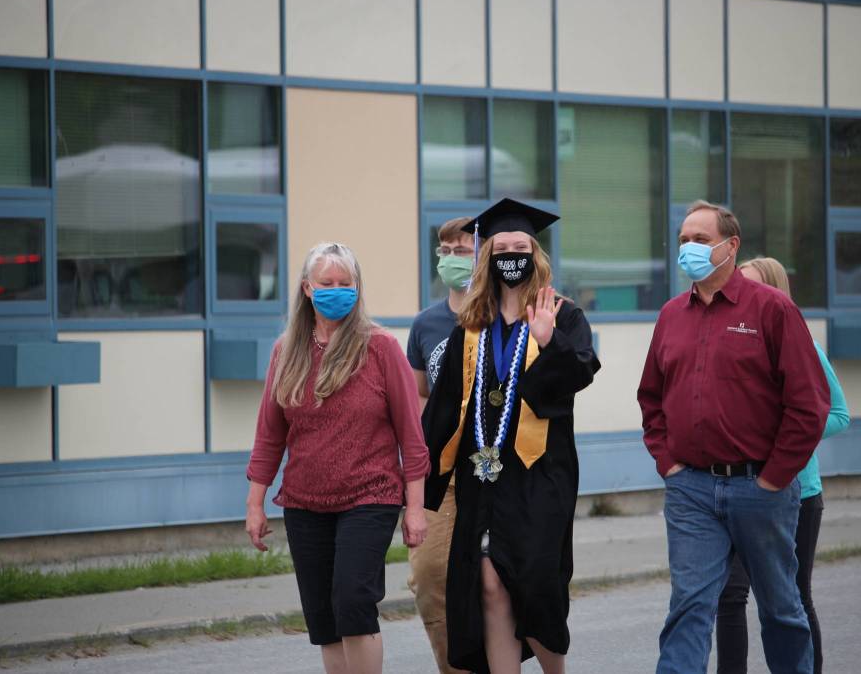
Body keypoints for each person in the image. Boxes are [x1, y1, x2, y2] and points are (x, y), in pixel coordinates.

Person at [637, 200, 830, 674]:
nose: (689, 249)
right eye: (683, 240)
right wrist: (669, 465)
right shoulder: (670, 316)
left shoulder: (772, 310)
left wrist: (774, 478)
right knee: (688, 609)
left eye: (700, 240)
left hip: (760, 488)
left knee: (781, 609)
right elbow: (651, 398)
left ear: (731, 245)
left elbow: (810, 404)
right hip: (692, 491)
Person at [423, 198, 600, 674]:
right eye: (500, 248)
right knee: (487, 583)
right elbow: (442, 411)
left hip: (541, 475)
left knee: (538, 585)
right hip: (484, 475)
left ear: (535, 254)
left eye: (520, 246)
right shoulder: (471, 329)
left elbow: (580, 375)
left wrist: (548, 341)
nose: (511, 255)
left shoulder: (562, 315)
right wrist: (417, 487)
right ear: (487, 257)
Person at [244, 242, 430, 674]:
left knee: (353, 602)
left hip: (371, 494)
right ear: (307, 289)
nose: (337, 291)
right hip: (305, 501)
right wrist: (255, 503)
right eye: (327, 283)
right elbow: (270, 435)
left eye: (346, 284)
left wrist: (416, 509)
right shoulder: (286, 350)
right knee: (325, 618)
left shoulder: (380, 347)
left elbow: (411, 435)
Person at [715, 257, 850, 674]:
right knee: (730, 595)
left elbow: (839, 415)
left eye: (756, 288)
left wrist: (784, 436)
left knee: (792, 596)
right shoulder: (734, 346)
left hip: (797, 494)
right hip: (739, 491)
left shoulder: (805, 347)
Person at [406, 217, 474, 674]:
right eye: (445, 250)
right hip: (440, 475)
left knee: (494, 584)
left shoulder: (506, 315)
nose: (450, 258)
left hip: (496, 471)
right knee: (430, 577)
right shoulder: (426, 323)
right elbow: (418, 398)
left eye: (462, 250)